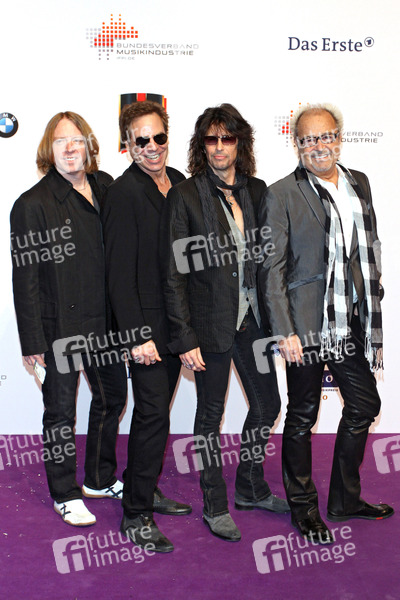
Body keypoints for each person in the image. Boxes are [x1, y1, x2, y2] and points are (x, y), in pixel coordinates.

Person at [258, 103, 394, 544]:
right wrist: (284, 330)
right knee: (302, 415)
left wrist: (371, 296)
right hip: (304, 324)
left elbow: (367, 247)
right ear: (296, 144)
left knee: (364, 405)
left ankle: (344, 499)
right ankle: (303, 508)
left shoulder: (359, 182)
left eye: (326, 136)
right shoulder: (281, 193)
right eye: (308, 139)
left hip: (348, 320)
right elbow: (271, 269)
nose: (319, 146)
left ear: (339, 137)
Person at [161, 103, 289, 542]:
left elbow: (270, 259)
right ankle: (215, 505)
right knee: (209, 417)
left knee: (268, 404)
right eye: (211, 139)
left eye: (227, 138)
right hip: (208, 325)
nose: (219, 147)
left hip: (252, 322)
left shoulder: (256, 190)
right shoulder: (185, 195)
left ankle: (250, 487)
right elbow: (174, 273)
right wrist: (184, 336)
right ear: (202, 145)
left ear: (240, 143)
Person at [10, 112, 127, 526]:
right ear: (49, 149)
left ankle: (98, 478)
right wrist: (32, 342)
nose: (70, 147)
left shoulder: (106, 186)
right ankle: (64, 492)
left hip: (106, 322)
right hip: (58, 326)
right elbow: (24, 279)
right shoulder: (31, 204)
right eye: (61, 141)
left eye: (77, 139)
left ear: (89, 145)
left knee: (113, 398)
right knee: (60, 414)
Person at [101, 100, 191, 554]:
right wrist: (136, 336)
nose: (152, 147)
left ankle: (145, 487)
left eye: (159, 137)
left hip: (178, 324)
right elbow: (118, 275)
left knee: (157, 414)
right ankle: (135, 514)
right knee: (153, 413)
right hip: (147, 332)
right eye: (141, 140)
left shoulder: (178, 180)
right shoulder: (123, 193)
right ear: (127, 144)